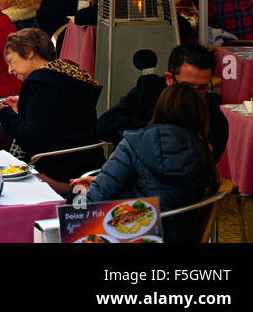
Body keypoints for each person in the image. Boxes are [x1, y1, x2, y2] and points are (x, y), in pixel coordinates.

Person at [73, 83, 218, 244]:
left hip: (131, 234)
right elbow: (165, 191)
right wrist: (100, 182)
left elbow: (95, 200)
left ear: (160, 108)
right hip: (181, 235)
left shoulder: (134, 142)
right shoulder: (204, 151)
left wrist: (92, 188)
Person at [0, 28, 103, 181]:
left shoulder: (40, 83)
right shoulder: (65, 76)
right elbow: (59, 115)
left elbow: (32, 139)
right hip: (86, 161)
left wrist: (1, 112)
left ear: (29, 52)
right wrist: (25, 105)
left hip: (58, 167)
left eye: (11, 61)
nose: (10, 70)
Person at [97, 42, 228, 163]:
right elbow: (105, 126)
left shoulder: (213, 115)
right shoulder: (149, 90)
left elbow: (206, 164)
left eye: (203, 87)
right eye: (188, 87)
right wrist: (157, 130)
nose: (195, 94)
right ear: (169, 79)